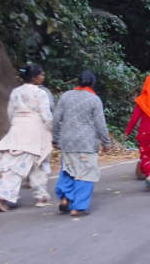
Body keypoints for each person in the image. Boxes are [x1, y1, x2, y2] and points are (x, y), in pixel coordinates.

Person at [0, 65, 53, 212]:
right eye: (41, 75)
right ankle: (38, 197)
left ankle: (3, 195)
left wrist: (17, 125)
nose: (43, 77)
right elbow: (47, 116)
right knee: (37, 163)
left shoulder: (15, 92)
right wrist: (51, 130)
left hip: (17, 130)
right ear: (34, 77)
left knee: (13, 164)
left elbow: (10, 113)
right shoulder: (41, 93)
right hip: (35, 131)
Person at [53, 71, 110, 216]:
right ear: (92, 84)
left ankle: (66, 197)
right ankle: (77, 207)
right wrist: (106, 142)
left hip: (67, 141)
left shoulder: (66, 96)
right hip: (87, 143)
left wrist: (55, 138)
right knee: (86, 173)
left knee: (69, 169)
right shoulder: (94, 99)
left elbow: (56, 118)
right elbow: (100, 124)